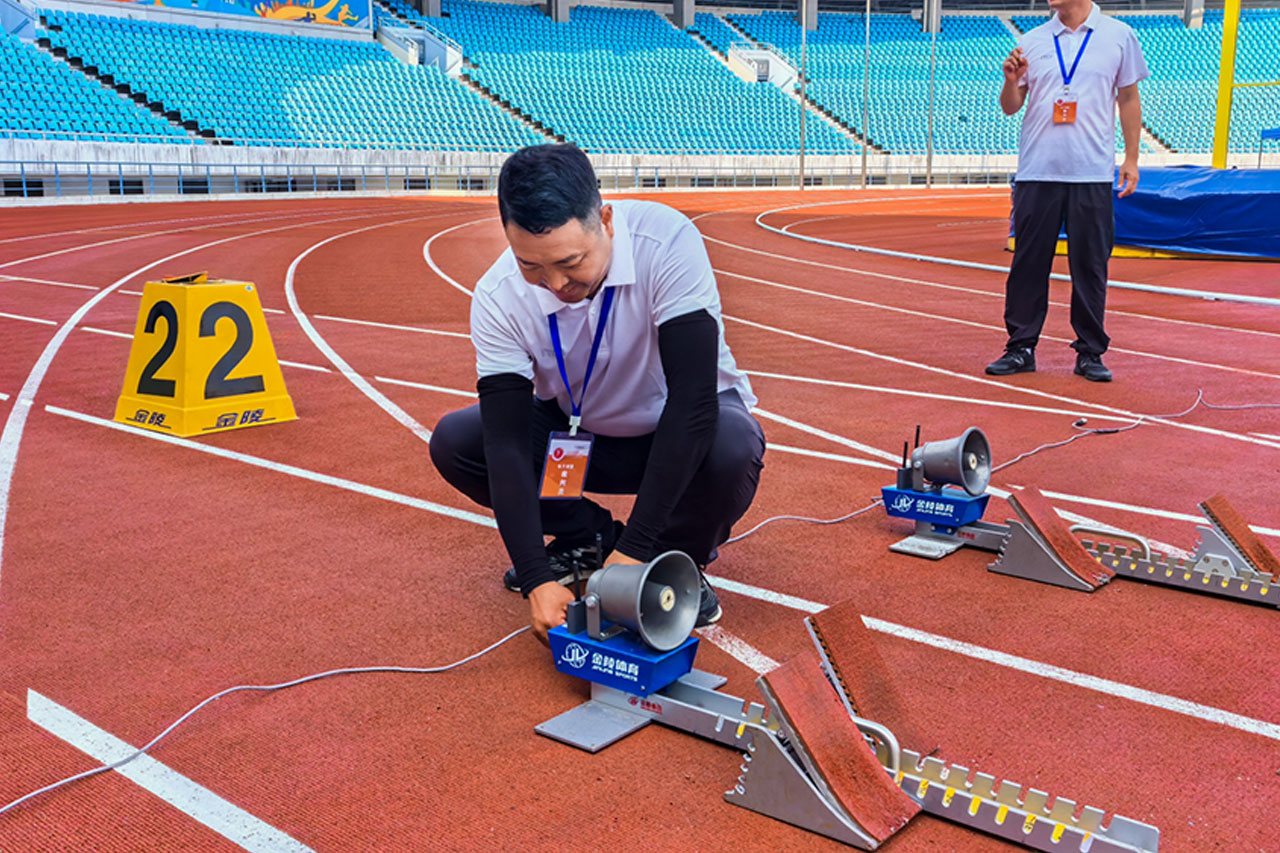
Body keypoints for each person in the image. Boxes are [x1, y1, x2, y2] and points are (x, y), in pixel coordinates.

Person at [429, 144, 766, 644]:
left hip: (675, 432)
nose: (554, 284)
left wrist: (637, 550)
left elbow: (693, 404)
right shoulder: (499, 296)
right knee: (457, 442)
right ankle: (586, 537)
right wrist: (535, 576)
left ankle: (671, 557)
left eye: (571, 262)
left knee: (733, 446)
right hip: (579, 433)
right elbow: (506, 443)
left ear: (605, 220)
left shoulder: (666, 241)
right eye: (531, 265)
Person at [988, 0, 1149, 382]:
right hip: (1037, 171)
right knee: (1028, 263)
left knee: (1090, 265)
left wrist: (1131, 158)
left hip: (1091, 171)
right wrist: (1010, 80)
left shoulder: (1119, 36)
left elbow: (1128, 98)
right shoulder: (1032, 40)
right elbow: (1010, 107)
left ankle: (1090, 352)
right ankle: (1021, 347)